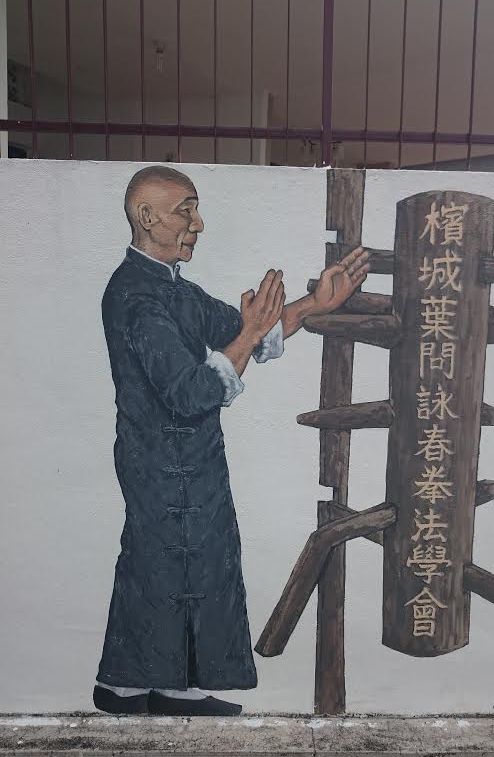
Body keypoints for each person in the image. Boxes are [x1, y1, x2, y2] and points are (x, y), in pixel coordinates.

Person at [94, 165, 369, 716]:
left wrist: (314, 305)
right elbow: (191, 391)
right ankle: (132, 687)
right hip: (157, 459)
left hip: (193, 458)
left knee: (195, 564)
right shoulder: (134, 296)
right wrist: (247, 334)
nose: (198, 223)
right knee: (161, 566)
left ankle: (153, 686)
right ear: (147, 217)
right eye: (186, 210)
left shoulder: (178, 291)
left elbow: (249, 336)